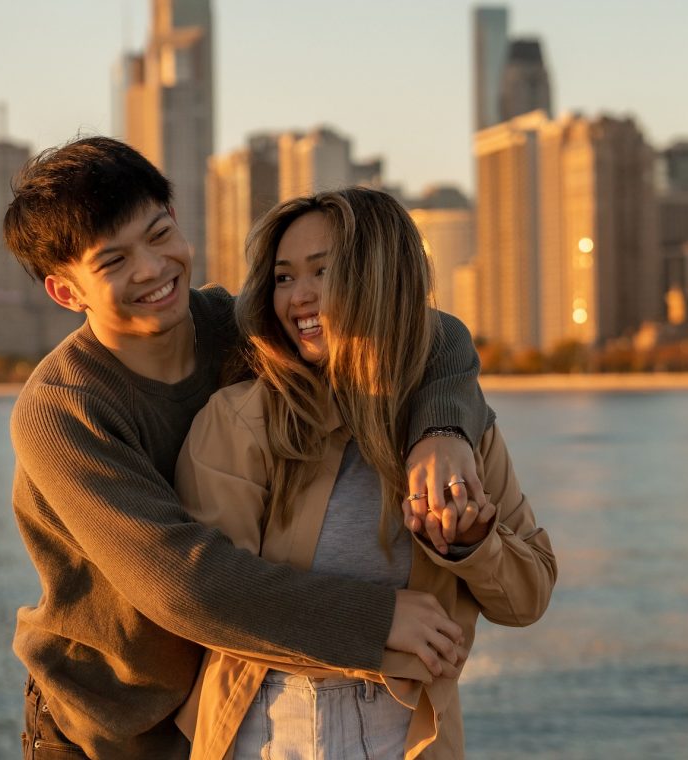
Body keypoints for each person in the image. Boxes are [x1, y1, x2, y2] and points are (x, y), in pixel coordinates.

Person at [1, 137, 494, 759]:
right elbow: (183, 582)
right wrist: (378, 620)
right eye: (113, 261)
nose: (152, 269)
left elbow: (427, 330)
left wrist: (442, 432)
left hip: (218, 702)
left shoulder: (239, 332)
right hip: (103, 725)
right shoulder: (63, 409)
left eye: (158, 236)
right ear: (67, 292)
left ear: (178, 222)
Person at [174, 188, 557, 759]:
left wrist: (474, 545)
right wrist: (379, 625)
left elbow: (528, 598)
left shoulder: (458, 431)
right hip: (271, 727)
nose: (298, 297)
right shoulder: (241, 421)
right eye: (283, 278)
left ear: (381, 278)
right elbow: (215, 602)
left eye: (321, 272)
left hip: (411, 735)